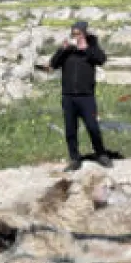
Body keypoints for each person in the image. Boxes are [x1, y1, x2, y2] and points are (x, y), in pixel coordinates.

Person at [47, 20, 109, 170]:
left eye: (79, 34)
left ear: (84, 33)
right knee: (70, 129)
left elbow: (101, 59)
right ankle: (74, 158)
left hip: (86, 96)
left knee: (92, 126)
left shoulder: (92, 46)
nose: (76, 37)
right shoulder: (67, 48)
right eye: (74, 34)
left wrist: (86, 48)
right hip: (68, 96)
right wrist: (62, 49)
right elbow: (53, 64)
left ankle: (101, 154)